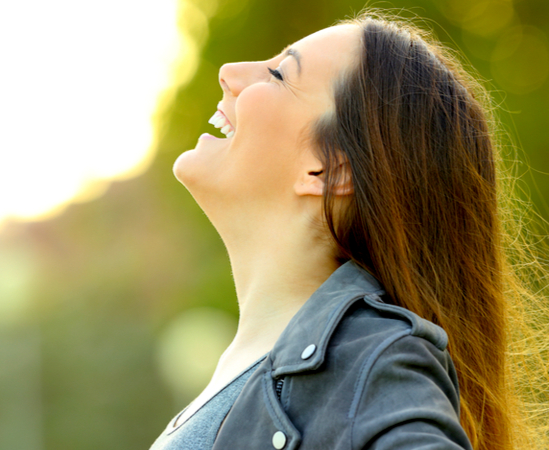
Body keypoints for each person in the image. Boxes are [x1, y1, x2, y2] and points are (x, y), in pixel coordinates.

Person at [151, 12, 547, 450]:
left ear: (329, 169)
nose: (229, 74)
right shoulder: (261, 369)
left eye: (280, 74)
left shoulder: (373, 359)